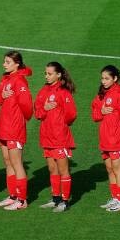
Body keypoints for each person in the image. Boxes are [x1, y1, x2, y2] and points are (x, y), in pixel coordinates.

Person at [0, 51, 34, 211]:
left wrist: (18, 121)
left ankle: (22, 200)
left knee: (16, 163)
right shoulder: (5, 79)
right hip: (4, 127)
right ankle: (13, 196)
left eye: (8, 62)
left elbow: (27, 107)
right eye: (4, 61)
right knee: (8, 161)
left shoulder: (20, 81)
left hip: (14, 128)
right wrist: (2, 95)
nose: (4, 64)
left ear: (17, 64)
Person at [35, 62, 77, 213]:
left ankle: (65, 202)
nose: (46, 76)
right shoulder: (43, 91)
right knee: (52, 169)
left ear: (58, 75)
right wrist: (44, 109)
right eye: (45, 73)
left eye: (50, 73)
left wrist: (59, 124)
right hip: (46, 137)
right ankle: (56, 198)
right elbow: (37, 113)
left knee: (63, 170)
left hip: (60, 138)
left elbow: (71, 114)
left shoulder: (63, 92)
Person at [91, 65, 120, 212]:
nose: (103, 81)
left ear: (115, 79)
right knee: (110, 169)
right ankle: (115, 198)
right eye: (102, 78)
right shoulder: (101, 95)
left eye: (107, 78)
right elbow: (94, 114)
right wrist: (101, 112)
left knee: (117, 169)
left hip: (116, 139)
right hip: (105, 139)